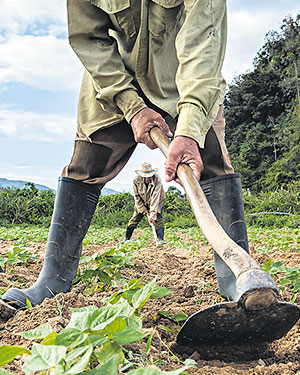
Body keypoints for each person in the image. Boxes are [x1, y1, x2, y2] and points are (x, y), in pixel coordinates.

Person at [1, 0, 249, 309]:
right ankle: (52, 279)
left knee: (211, 163)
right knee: (85, 167)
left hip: (184, 85)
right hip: (112, 84)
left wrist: (188, 131)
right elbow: (87, 35)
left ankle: (237, 279)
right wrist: (131, 105)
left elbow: (204, 43)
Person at [124, 163, 166, 245]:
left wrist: (152, 216)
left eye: (149, 176)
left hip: (157, 201)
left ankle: (160, 239)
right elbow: (137, 197)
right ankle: (126, 239)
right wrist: (143, 209)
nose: (147, 178)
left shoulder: (157, 180)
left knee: (158, 219)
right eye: (145, 176)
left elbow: (155, 198)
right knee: (134, 219)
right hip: (142, 202)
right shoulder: (136, 180)